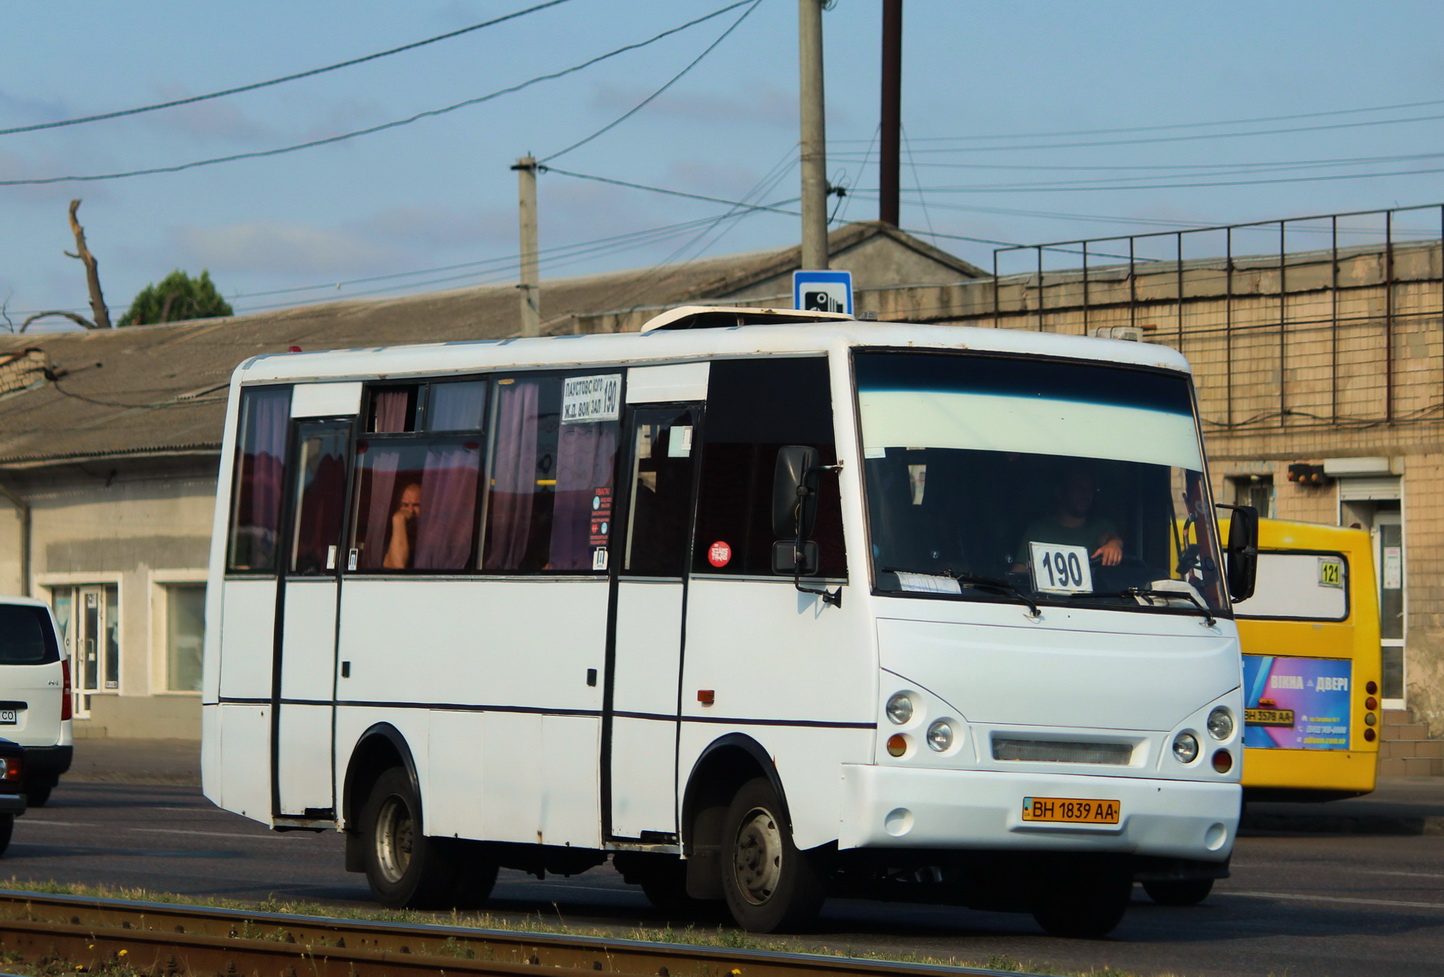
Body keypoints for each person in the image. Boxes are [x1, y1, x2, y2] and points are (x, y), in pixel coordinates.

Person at [1014, 467, 1123, 570]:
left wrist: (1113, 545)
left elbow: (1111, 538)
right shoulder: (1039, 531)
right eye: (1078, 488)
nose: (1085, 494)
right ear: (1060, 492)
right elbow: (1019, 573)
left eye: (1089, 489)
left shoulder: (1099, 527)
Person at [383, 482, 421, 569]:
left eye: (416, 505)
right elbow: (397, 566)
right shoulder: (387, 537)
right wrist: (399, 519)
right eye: (405, 505)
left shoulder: (431, 537)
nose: (410, 511)